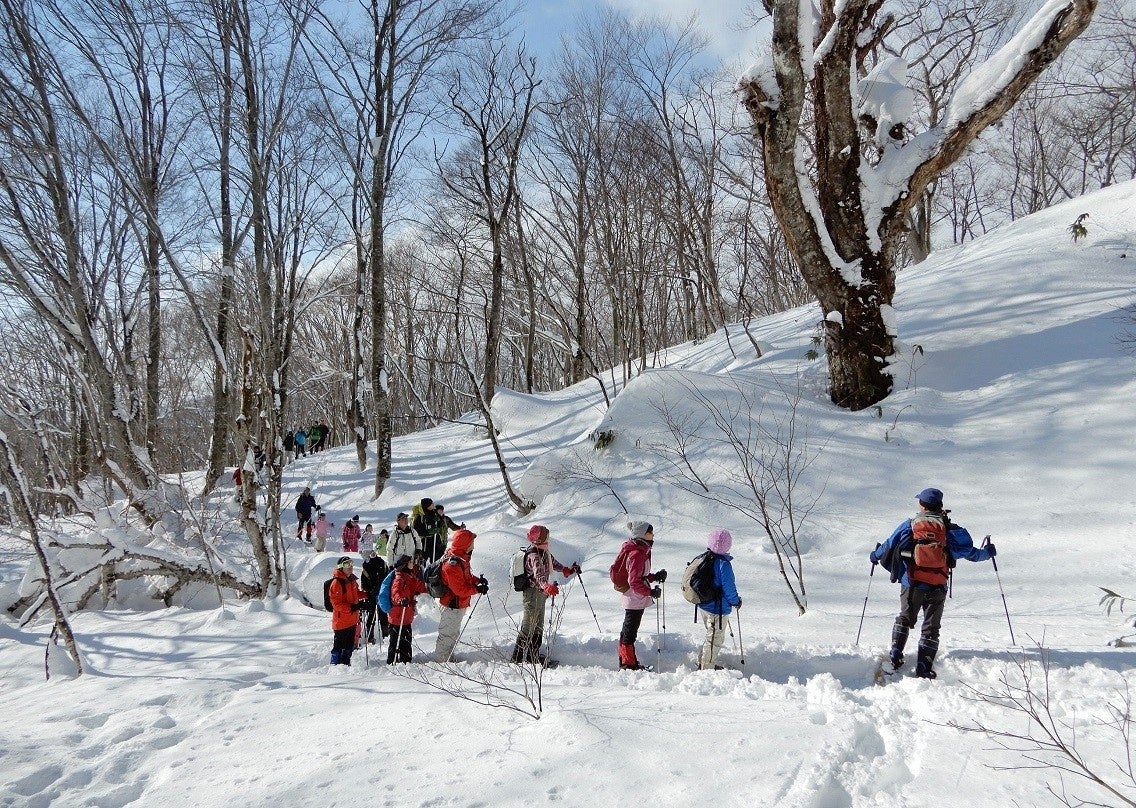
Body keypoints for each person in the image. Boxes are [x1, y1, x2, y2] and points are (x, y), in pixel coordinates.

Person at [870, 487, 996, 679]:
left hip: (911, 583)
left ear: (922, 505)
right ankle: (923, 666)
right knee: (931, 628)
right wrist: (988, 552)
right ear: (940, 506)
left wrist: (875, 555)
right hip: (938, 585)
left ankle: (895, 655)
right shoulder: (950, 530)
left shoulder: (910, 525)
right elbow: (971, 553)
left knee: (905, 618)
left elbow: (888, 544)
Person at [511, 525, 579, 665]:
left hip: (541, 593)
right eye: (546, 535)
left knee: (538, 625)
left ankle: (532, 656)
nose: (548, 537)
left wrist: (566, 570)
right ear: (540, 538)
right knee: (528, 625)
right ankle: (516, 658)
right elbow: (539, 575)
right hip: (532, 593)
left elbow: (553, 564)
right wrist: (546, 586)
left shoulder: (544, 552)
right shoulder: (534, 555)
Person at [613, 521, 667, 671]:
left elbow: (640, 576)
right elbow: (634, 581)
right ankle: (628, 664)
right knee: (629, 632)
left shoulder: (641, 550)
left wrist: (655, 576)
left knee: (628, 631)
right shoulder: (637, 553)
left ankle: (626, 661)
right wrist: (650, 592)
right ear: (643, 534)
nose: (653, 535)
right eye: (650, 533)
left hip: (634, 597)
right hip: (634, 598)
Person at [434, 528, 488, 663]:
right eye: (471, 542)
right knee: (447, 634)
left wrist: (477, 581)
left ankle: (447, 658)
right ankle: (442, 662)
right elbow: (460, 589)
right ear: (465, 544)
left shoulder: (461, 558)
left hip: (457, 604)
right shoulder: (452, 564)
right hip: (452, 604)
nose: (473, 545)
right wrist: (477, 589)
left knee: (452, 633)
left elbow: (465, 578)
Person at [696, 529, 742, 671]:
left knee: (711, 635)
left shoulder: (703, 558)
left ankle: (703, 662)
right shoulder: (723, 564)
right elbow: (729, 588)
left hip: (704, 604)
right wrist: (736, 601)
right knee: (715, 638)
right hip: (717, 608)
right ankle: (707, 667)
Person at [386, 555, 427, 664]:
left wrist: (430, 589)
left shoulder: (410, 577)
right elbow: (395, 593)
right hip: (397, 617)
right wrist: (400, 600)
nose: (412, 563)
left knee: (406, 641)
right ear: (404, 565)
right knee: (395, 642)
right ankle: (392, 662)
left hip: (406, 616)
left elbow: (420, 586)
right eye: (410, 562)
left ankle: (406, 661)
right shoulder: (399, 579)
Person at [328, 556, 367, 665]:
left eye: (351, 564)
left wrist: (366, 595)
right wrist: (352, 607)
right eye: (346, 564)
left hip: (352, 620)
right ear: (341, 567)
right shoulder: (337, 583)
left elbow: (355, 595)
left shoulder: (352, 580)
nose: (350, 567)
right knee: (339, 646)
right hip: (341, 622)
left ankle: (346, 664)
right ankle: (334, 665)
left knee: (349, 645)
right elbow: (336, 604)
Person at [360, 550, 390, 644]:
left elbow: (386, 578)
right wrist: (370, 590)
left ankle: (386, 635)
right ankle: (370, 637)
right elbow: (364, 583)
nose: (372, 555)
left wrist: (381, 589)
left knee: (383, 615)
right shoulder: (366, 567)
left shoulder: (382, 564)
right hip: (371, 595)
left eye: (373, 553)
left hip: (382, 594)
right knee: (371, 615)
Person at [412, 498, 447, 563]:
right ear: (427, 506)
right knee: (424, 562)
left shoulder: (434, 513)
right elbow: (417, 531)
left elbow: (441, 524)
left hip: (435, 542)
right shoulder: (420, 518)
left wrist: (439, 519)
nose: (433, 504)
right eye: (431, 504)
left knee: (436, 561)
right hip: (424, 544)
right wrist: (429, 532)